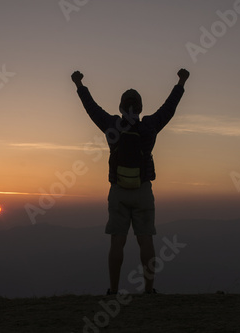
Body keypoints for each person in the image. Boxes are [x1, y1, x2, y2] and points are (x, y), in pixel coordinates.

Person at [71, 68, 190, 295]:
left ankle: (114, 290)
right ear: (141, 107)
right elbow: (169, 108)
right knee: (146, 240)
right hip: (143, 189)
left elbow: (91, 108)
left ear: (121, 106)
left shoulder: (112, 125)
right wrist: (181, 82)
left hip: (118, 191)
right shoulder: (149, 126)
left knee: (118, 242)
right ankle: (148, 290)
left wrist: (79, 84)